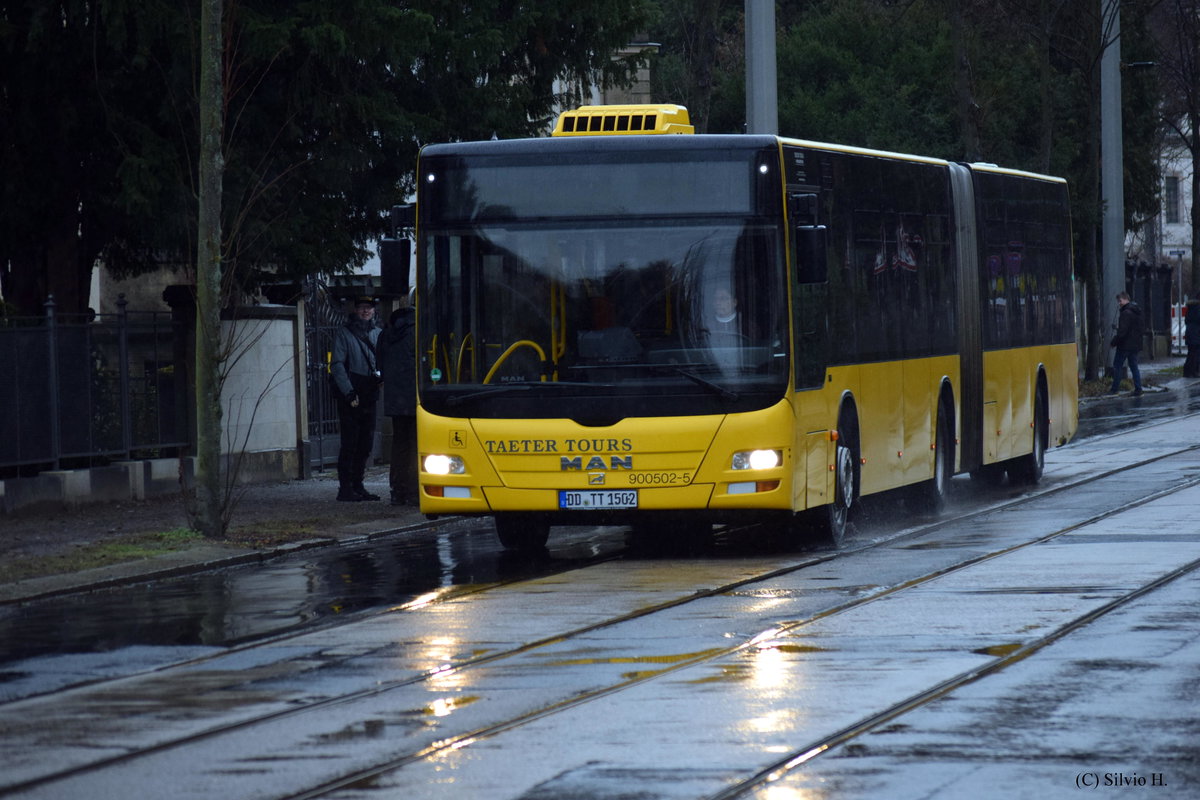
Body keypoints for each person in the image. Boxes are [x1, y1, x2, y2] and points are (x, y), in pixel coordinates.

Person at [330, 295, 383, 501]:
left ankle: (358, 485)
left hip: (370, 392)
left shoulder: (378, 333)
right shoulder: (344, 333)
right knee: (350, 443)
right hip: (351, 393)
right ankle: (345, 488)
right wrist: (348, 391)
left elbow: (383, 360)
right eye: (361, 307)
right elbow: (337, 365)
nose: (365, 311)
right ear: (355, 310)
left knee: (365, 443)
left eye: (368, 308)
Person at [378, 291, 418, 505]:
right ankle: (413, 491)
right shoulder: (419, 330)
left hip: (395, 399)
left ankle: (397, 489)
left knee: (399, 444)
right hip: (415, 397)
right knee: (416, 444)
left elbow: (379, 365)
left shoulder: (387, 332)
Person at [1108, 291, 1144, 396]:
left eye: (1120, 301)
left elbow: (1122, 332)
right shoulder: (1137, 312)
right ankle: (1138, 388)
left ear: (1126, 299)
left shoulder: (1125, 313)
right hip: (1135, 345)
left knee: (1117, 366)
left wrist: (1113, 342)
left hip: (1124, 345)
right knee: (1134, 367)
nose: (1119, 303)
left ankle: (1114, 389)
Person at [1185, 298, 1200, 379]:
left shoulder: (1191, 309)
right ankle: (1194, 371)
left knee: (1191, 354)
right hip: (1196, 334)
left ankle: (1187, 372)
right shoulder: (1197, 309)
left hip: (1191, 334)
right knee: (1196, 354)